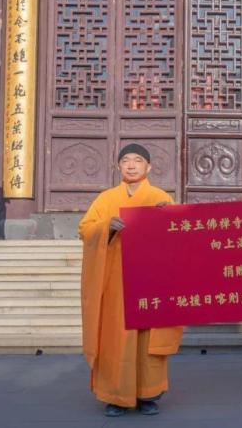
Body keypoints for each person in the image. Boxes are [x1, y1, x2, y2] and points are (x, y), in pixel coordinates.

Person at [79, 143, 183, 417]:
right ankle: (115, 396)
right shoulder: (106, 199)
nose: (132, 165)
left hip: (149, 280)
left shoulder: (160, 197)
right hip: (115, 283)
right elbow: (85, 229)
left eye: (138, 160)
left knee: (149, 340)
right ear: (118, 166)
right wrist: (106, 227)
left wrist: (168, 218)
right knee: (115, 340)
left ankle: (149, 394)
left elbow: (179, 237)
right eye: (126, 160)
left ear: (149, 167)